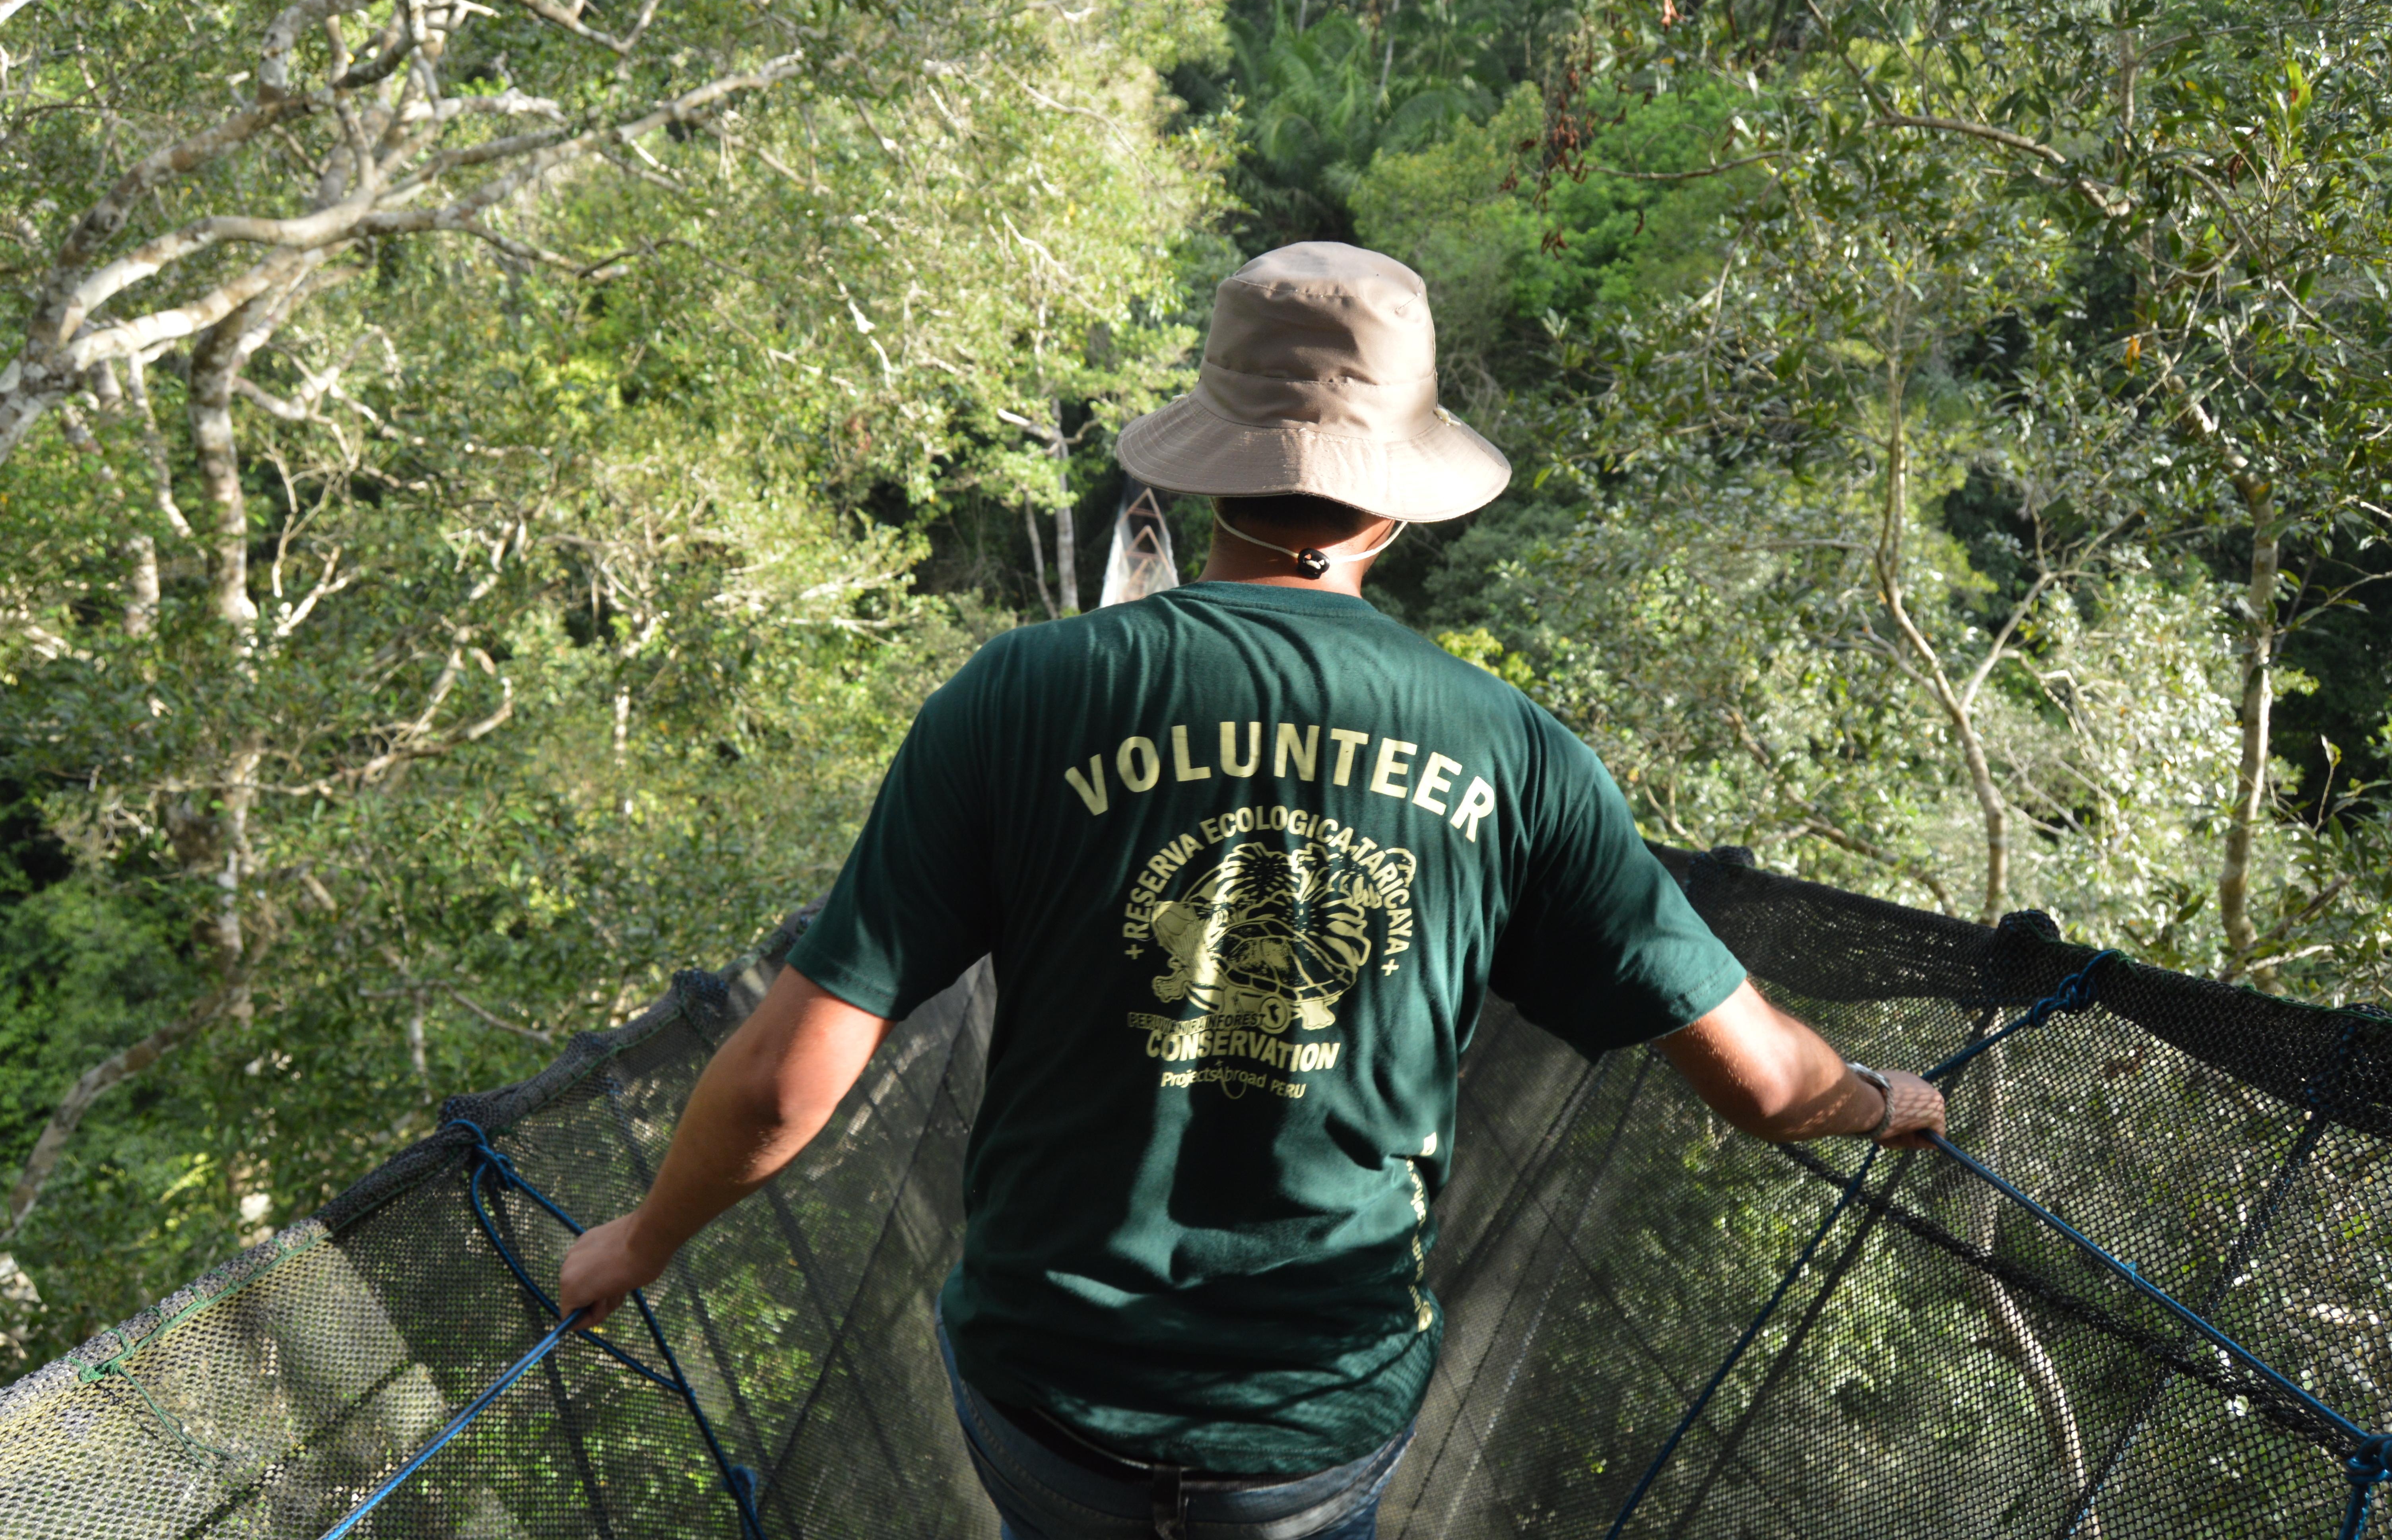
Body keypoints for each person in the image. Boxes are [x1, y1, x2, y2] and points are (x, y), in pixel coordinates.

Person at [558, 242, 1947, 1540]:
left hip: (1049, 1407)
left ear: (1213, 467)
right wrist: (1882, 1100)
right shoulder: (1516, 751)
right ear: (1400, 500)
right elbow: (1764, 1086)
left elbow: (785, 1082)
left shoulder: (1018, 697)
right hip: (1312, 1434)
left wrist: (643, 1237)